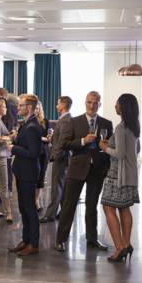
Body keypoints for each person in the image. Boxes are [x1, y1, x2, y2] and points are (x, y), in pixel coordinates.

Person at [55, 91, 113, 252]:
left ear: (99, 104)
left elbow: (110, 148)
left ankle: (92, 239)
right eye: (89, 102)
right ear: (85, 103)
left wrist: (107, 163)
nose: (92, 105)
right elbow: (65, 144)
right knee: (68, 205)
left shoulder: (107, 123)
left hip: (97, 170)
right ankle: (60, 240)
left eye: (95, 103)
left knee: (92, 205)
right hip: (77, 168)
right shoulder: (74, 122)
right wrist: (82, 141)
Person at [99, 93, 140, 262]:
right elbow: (132, 150)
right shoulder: (133, 126)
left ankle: (120, 247)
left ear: (122, 106)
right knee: (124, 208)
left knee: (108, 208)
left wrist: (104, 147)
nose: (114, 105)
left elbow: (120, 154)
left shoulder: (120, 128)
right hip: (129, 175)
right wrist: (112, 143)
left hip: (117, 176)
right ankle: (126, 244)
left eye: (117, 103)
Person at [8, 94, 42, 256]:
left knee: (29, 209)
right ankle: (26, 239)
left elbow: (34, 152)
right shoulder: (27, 124)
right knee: (23, 207)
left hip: (28, 173)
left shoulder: (33, 127)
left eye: (20, 105)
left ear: (28, 107)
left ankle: (33, 243)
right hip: (22, 172)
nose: (18, 108)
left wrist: (13, 148)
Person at [40, 96, 73, 223]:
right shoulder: (66, 119)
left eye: (58, 103)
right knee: (61, 187)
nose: (56, 106)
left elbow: (63, 141)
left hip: (61, 158)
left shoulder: (65, 120)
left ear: (63, 105)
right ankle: (64, 212)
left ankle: (50, 214)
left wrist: (54, 156)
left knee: (56, 188)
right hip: (63, 157)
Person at [34, 101, 50, 212]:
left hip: (43, 152)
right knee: (32, 176)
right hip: (33, 152)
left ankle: (37, 200)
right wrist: (41, 138)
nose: (36, 110)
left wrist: (49, 136)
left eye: (38, 108)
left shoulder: (45, 121)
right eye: (35, 108)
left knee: (41, 177)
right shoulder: (29, 121)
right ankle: (31, 200)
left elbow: (47, 136)